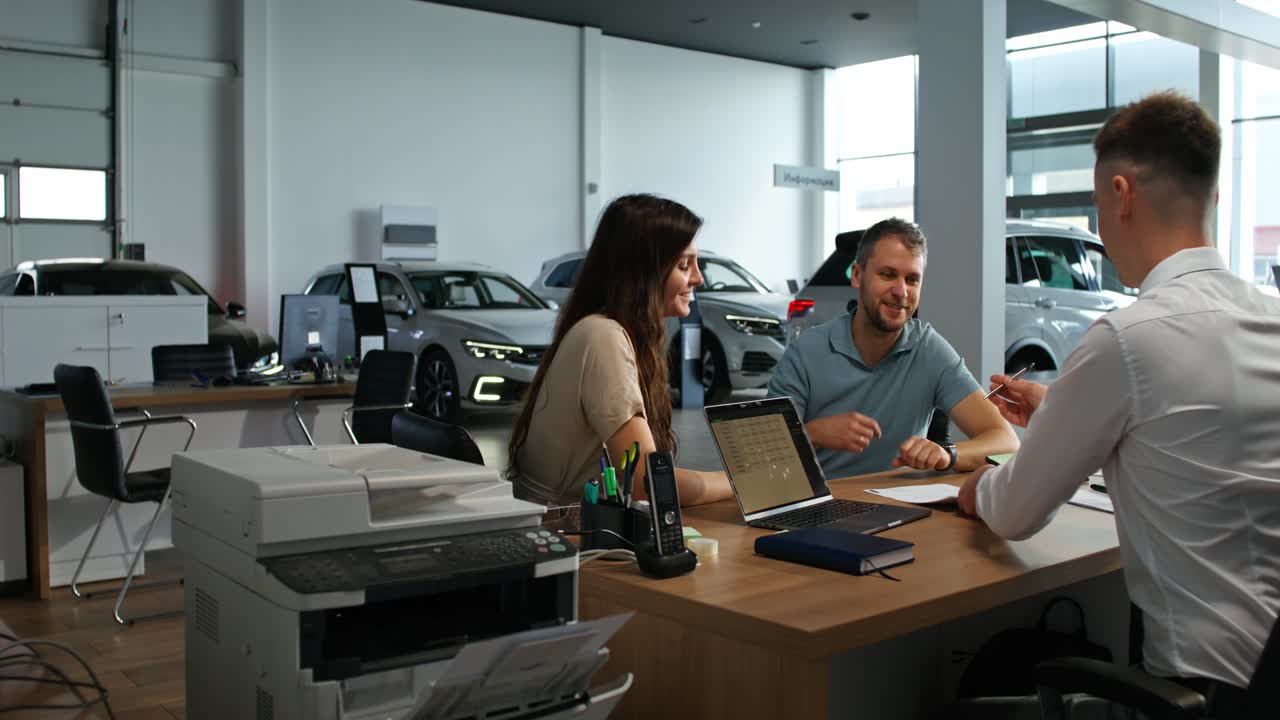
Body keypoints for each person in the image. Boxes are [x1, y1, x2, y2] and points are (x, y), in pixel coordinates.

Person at [958, 91, 1280, 706]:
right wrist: (1061, 408)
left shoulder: (1128, 338)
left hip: (1201, 691)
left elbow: (1015, 514)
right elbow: (1201, 428)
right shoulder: (1270, 318)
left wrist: (977, 490)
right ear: (1211, 197)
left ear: (1122, 195)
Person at [508, 194, 734, 508]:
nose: (698, 278)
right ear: (643, 272)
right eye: (684, 265)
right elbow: (645, 480)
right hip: (571, 537)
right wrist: (740, 480)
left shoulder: (612, 332)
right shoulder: (603, 336)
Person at [768, 217, 1018, 480]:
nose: (901, 291)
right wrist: (813, 434)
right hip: (823, 506)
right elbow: (756, 458)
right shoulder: (806, 352)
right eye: (887, 275)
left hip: (903, 507)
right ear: (857, 275)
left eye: (912, 279)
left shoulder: (928, 349)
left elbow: (1006, 441)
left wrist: (947, 454)